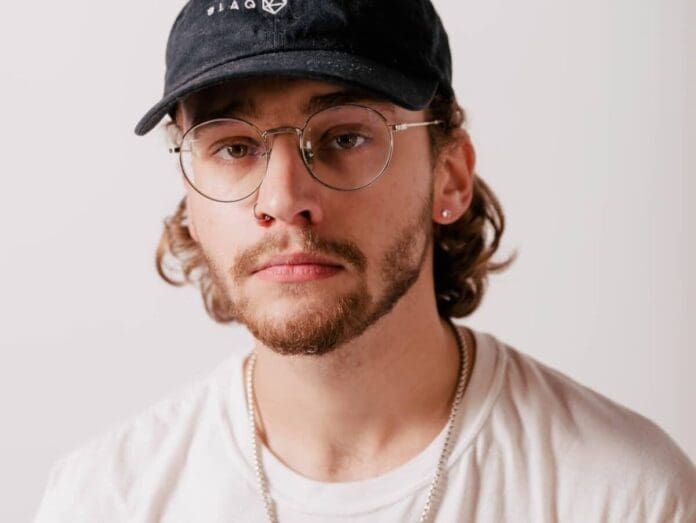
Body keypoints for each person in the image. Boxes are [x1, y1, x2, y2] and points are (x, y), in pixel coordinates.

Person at [34, 0, 695, 521]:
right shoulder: (101, 501)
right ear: (190, 196)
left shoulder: (622, 496)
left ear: (450, 176)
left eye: (344, 136)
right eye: (234, 148)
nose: (284, 198)